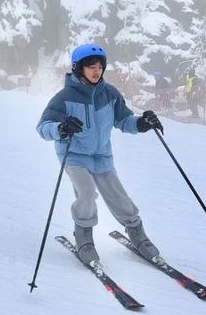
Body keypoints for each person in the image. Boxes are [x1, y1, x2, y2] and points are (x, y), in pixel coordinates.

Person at [36, 43, 163, 267]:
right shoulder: (64, 97)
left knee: (119, 196)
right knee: (86, 193)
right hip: (74, 155)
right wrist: (61, 128)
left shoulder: (110, 93)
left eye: (100, 66)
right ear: (78, 68)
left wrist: (142, 123)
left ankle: (137, 233)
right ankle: (84, 238)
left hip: (102, 156)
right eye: (90, 67)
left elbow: (124, 120)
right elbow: (43, 126)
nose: (96, 71)